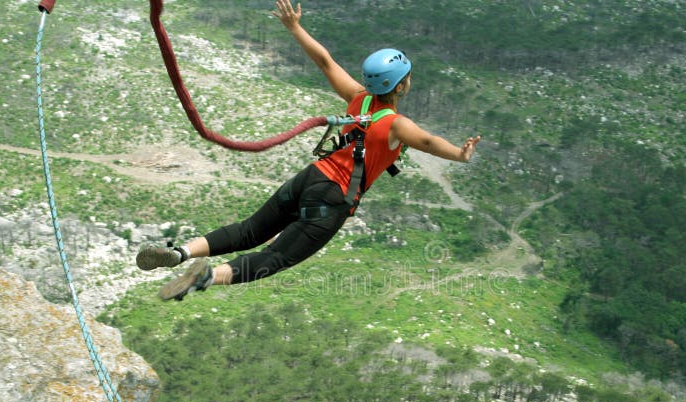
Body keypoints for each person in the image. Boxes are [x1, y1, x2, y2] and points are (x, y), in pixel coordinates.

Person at [136, 0, 481, 301]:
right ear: (401, 85)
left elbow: (326, 62)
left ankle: (181, 252)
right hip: (333, 198)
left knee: (250, 230)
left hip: (311, 177)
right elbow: (428, 142)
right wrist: (460, 154)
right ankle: (207, 276)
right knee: (275, 257)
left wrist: (294, 27)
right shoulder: (395, 124)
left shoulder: (358, 97)